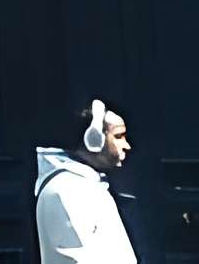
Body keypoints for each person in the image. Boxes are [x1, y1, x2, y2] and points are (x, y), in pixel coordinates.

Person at [36, 98, 137, 264]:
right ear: (94, 139)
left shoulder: (82, 185)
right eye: (118, 136)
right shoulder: (66, 189)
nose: (126, 145)